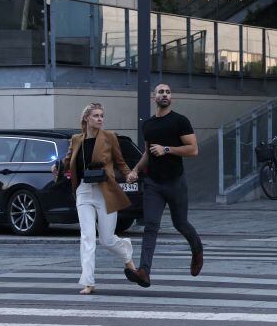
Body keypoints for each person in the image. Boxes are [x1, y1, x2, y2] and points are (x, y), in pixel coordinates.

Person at [124, 83, 202, 289]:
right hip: (153, 184)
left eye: (168, 92)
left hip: (175, 181)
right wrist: (135, 171)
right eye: (161, 92)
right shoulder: (148, 125)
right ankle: (144, 271)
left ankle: (197, 249)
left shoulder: (180, 121)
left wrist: (167, 149)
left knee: (180, 223)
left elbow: (193, 150)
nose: (165, 95)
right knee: (150, 226)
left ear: (171, 98)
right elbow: (148, 153)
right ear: (154, 98)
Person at [57, 103, 137, 295]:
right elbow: (68, 162)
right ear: (86, 118)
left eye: (102, 116)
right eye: (96, 116)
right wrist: (58, 168)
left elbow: (120, 161)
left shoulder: (110, 137)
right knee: (87, 237)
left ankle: (127, 254)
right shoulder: (76, 139)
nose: (100, 119)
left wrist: (128, 175)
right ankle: (89, 282)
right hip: (84, 191)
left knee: (107, 240)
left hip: (105, 191)